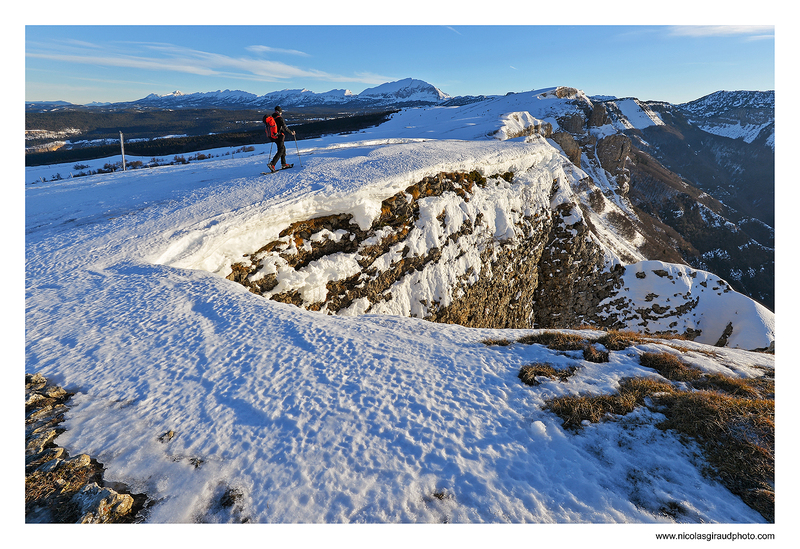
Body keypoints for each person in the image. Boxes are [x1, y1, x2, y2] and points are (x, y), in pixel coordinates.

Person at [266, 105, 295, 172]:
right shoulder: (279, 118)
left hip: (274, 136)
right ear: (280, 111)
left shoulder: (272, 118)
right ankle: (272, 164)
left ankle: (283, 164)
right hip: (280, 136)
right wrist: (291, 133)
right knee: (281, 150)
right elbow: (285, 127)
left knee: (283, 148)